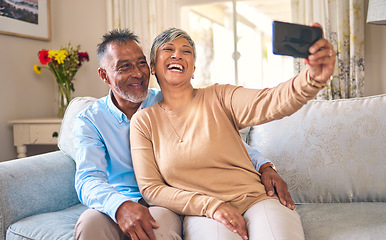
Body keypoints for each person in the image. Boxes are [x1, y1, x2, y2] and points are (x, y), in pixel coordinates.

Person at [72, 28, 294, 240]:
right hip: (120, 199)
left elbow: (216, 141)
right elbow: (87, 178)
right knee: (89, 224)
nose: (138, 73)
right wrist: (119, 206)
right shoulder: (90, 120)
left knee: (156, 228)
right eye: (124, 67)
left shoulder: (166, 99)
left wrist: (264, 166)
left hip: (166, 201)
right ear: (104, 75)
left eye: (141, 63)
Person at [130, 25, 336, 240]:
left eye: (186, 51)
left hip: (257, 199)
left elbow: (269, 101)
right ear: (152, 66)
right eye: (168, 49)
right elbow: (151, 189)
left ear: (193, 68)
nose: (177, 55)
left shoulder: (220, 96)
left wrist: (312, 78)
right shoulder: (144, 121)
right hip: (205, 213)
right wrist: (211, 206)